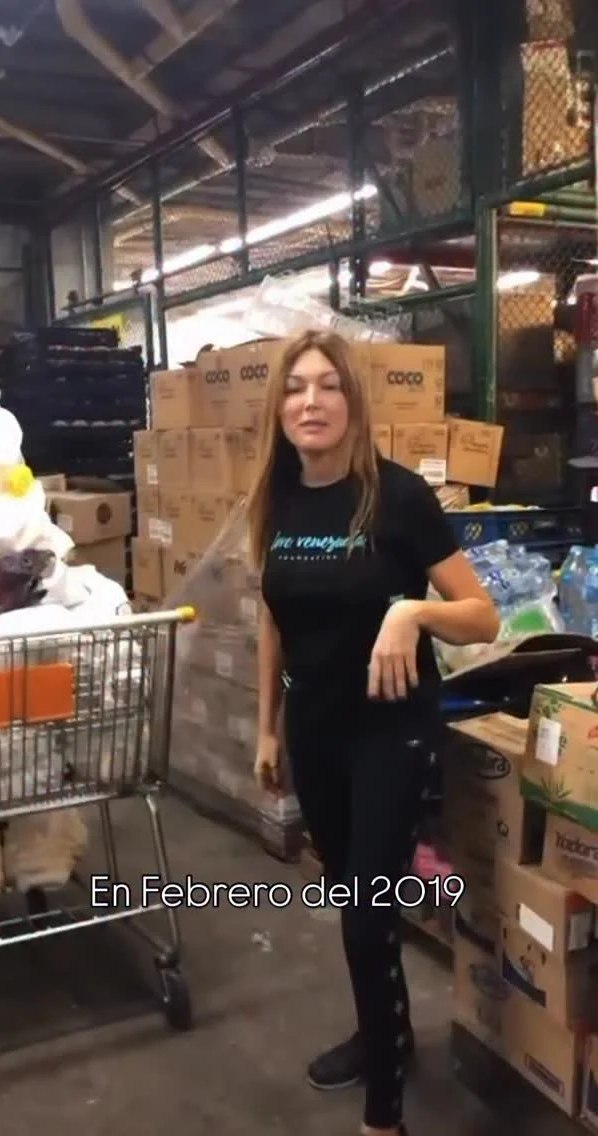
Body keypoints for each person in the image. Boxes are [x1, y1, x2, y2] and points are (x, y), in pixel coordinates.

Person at [244, 330, 500, 1136]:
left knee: (364, 913)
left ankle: (385, 1119)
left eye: (328, 386)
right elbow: (273, 619)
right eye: (296, 387)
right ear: (278, 407)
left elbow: (482, 616)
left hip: (390, 732)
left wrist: (412, 610)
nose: (311, 402)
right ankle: (384, 1032)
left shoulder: (397, 497)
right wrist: (267, 728)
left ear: (353, 402)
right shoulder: (277, 498)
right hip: (316, 733)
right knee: (359, 905)